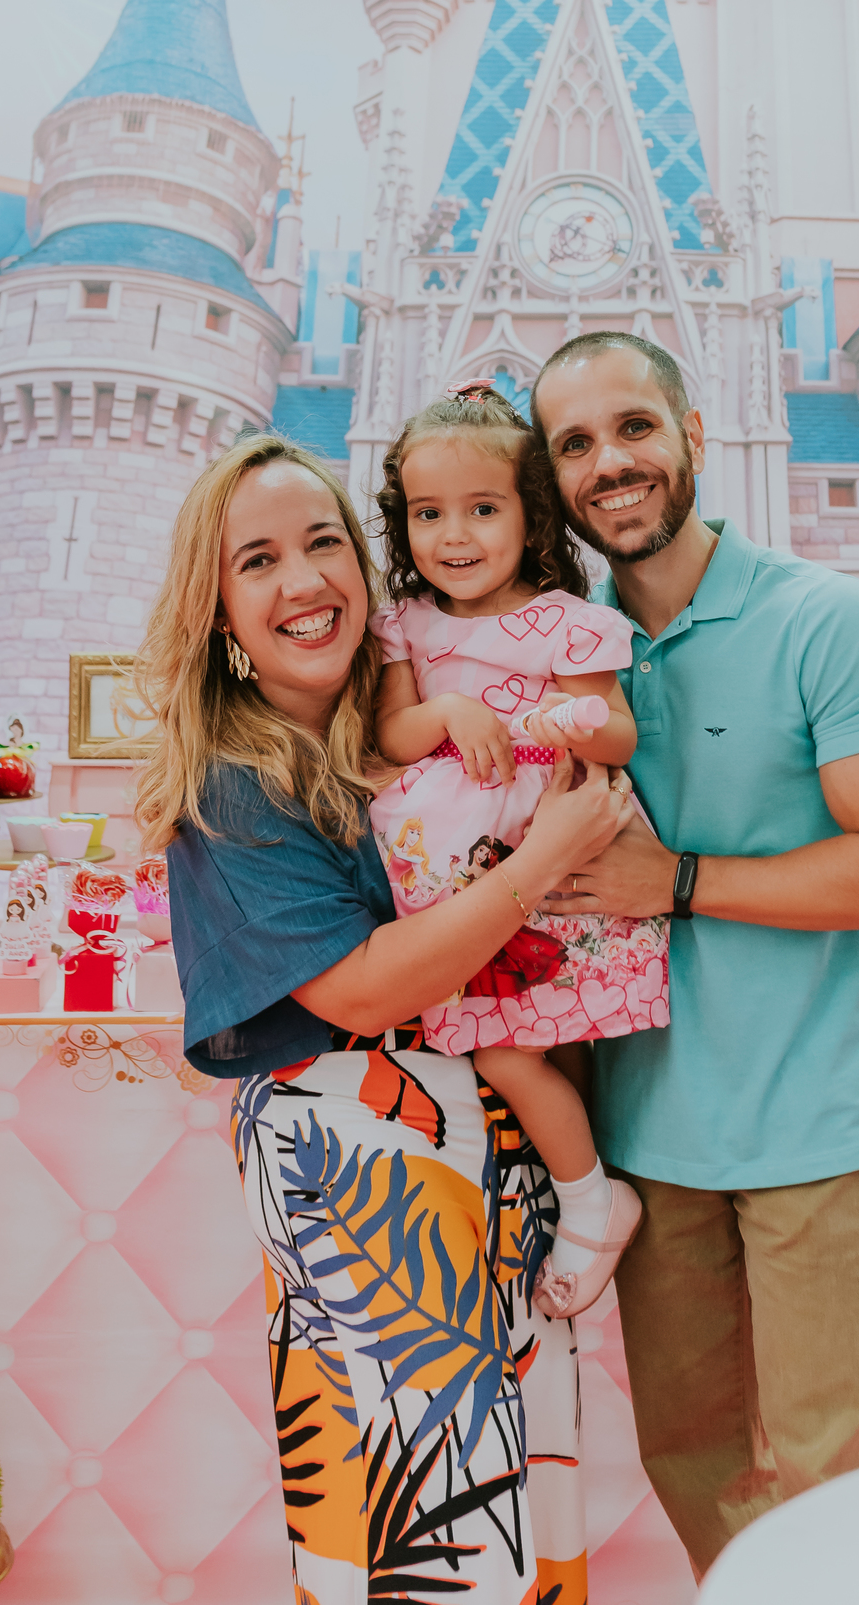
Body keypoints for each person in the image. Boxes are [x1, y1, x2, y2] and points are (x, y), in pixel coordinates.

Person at [134, 430, 630, 1605]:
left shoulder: (393, 737)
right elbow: (360, 989)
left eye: (322, 544)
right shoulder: (235, 778)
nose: (303, 581)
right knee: (428, 1522)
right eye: (257, 561)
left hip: (488, 1158)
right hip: (366, 1176)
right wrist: (538, 863)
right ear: (215, 609)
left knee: (511, 1492)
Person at [530, 330, 859, 1574]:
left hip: (812, 1135)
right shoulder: (565, 663)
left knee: (843, 1496)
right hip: (648, 1151)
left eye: (634, 427)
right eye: (576, 444)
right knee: (698, 1470)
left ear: (692, 435)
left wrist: (682, 881)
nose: (612, 462)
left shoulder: (827, 620)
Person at [370, 379, 667, 1317]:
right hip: (458, 877)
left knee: (525, 1056)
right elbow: (389, 737)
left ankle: (588, 1202)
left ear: (531, 515)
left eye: (482, 508)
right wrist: (451, 711)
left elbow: (619, 734)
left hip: (558, 863)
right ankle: (568, 1200)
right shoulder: (405, 625)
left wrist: (565, 714)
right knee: (487, 1058)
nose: (453, 534)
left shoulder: (569, 623)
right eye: (429, 512)